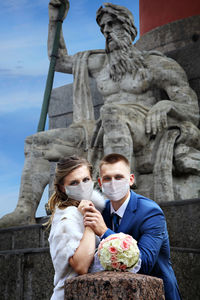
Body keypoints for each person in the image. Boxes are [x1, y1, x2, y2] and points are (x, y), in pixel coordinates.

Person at [0, 0, 199, 228]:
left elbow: (191, 108)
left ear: (129, 29)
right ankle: (24, 210)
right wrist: (56, 20)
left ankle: (118, 200)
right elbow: (60, 60)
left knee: (111, 112)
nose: (107, 32)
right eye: (103, 27)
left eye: (112, 25)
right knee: (36, 143)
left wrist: (166, 106)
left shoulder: (155, 65)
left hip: (141, 126)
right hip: (100, 127)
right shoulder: (99, 64)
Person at [82, 153, 181, 300]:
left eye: (119, 177)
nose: (113, 183)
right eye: (107, 178)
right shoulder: (101, 211)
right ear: (100, 183)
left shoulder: (151, 212)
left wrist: (104, 231)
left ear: (131, 179)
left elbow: (145, 263)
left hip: (156, 293)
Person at [47, 155, 105, 300]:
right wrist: (89, 222)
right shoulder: (67, 217)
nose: (82, 186)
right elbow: (81, 266)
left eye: (85, 180)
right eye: (74, 182)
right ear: (63, 188)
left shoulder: (91, 209)